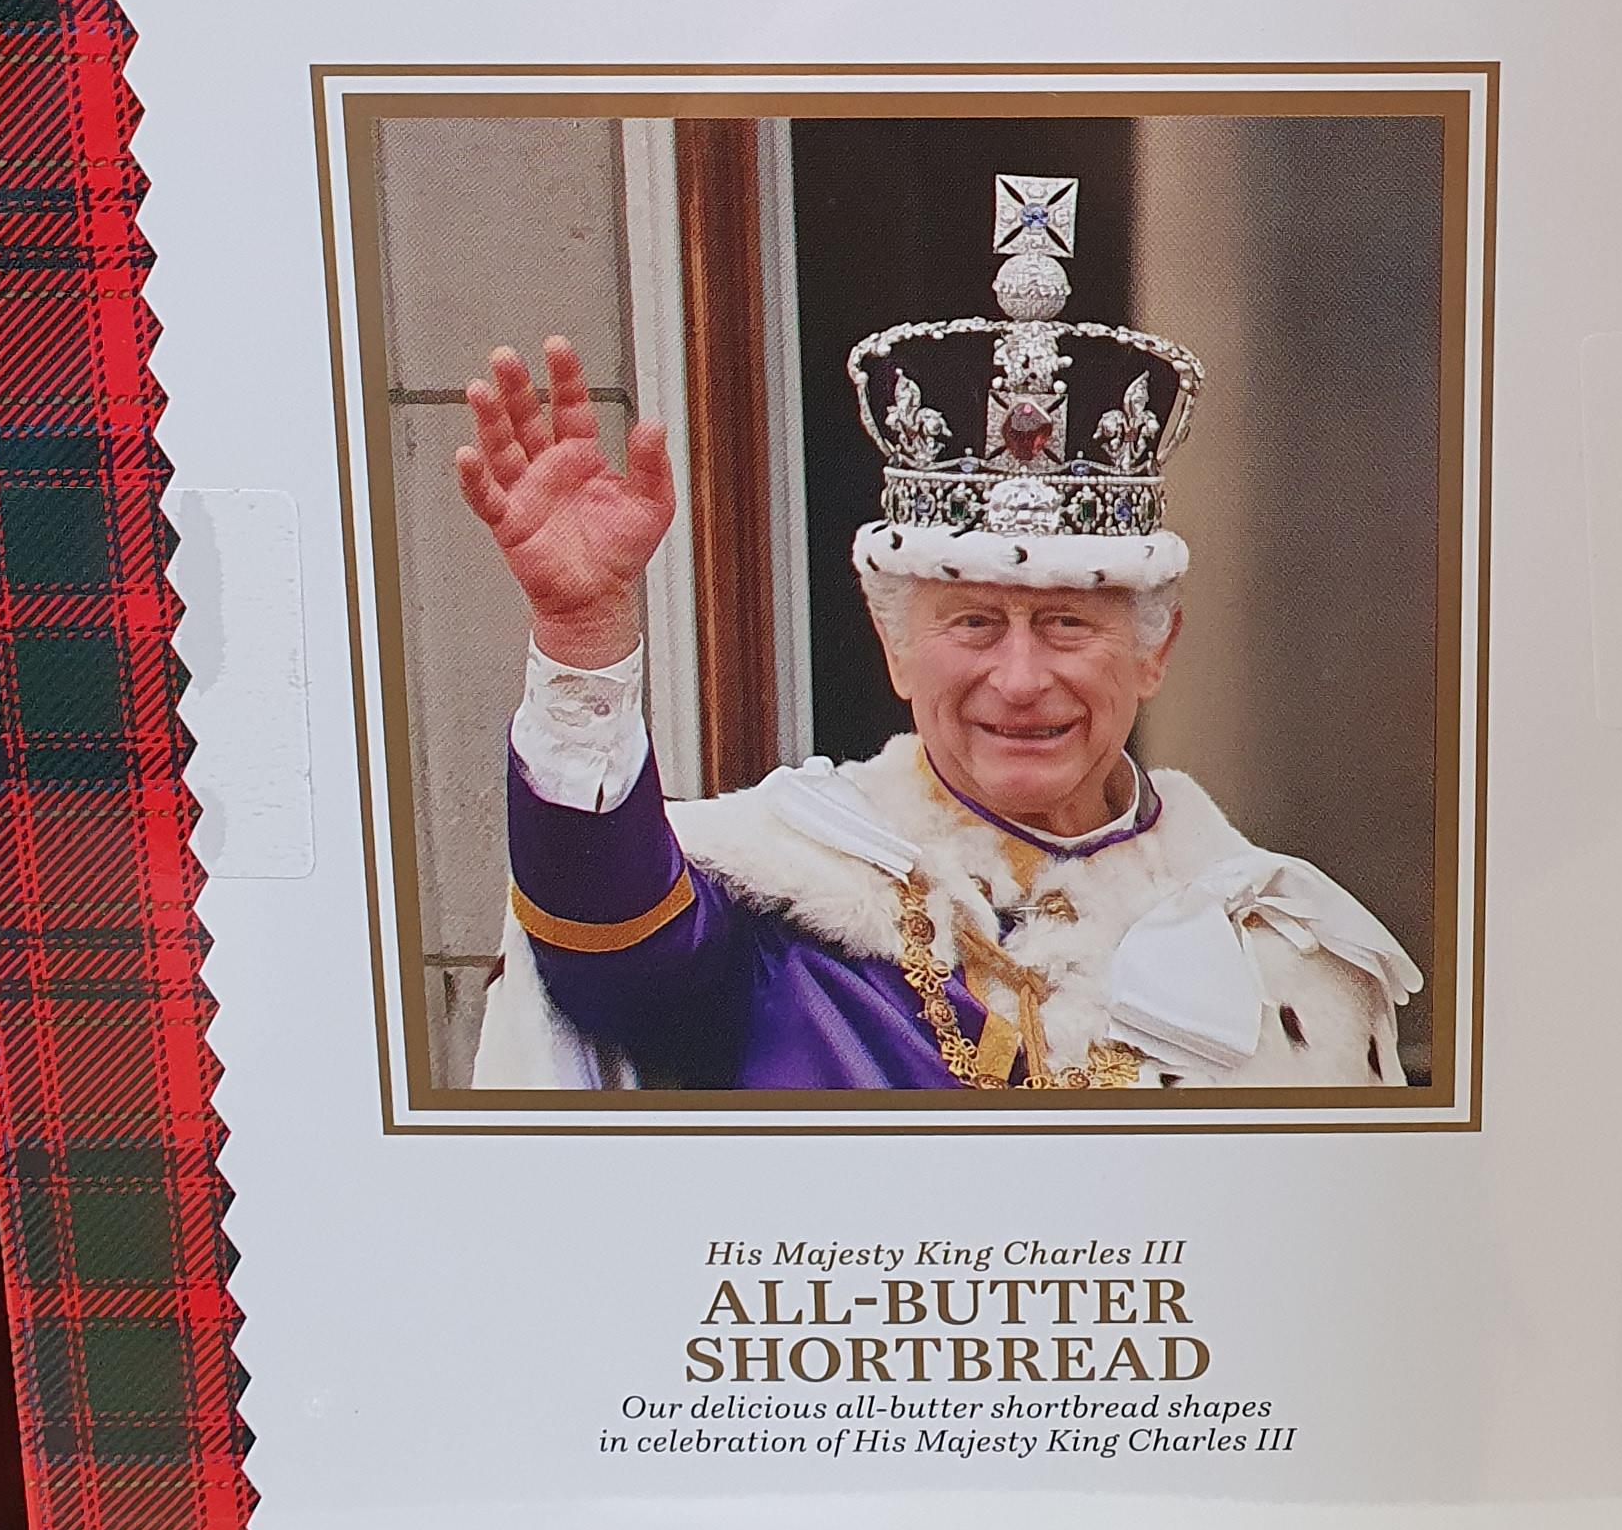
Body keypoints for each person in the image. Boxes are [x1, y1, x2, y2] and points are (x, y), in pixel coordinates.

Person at [462, 176, 1419, 1094]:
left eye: (1067, 623)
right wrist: (583, 630)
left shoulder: (1287, 957)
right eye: (973, 623)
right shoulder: (781, 911)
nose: (1020, 678)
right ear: (895, 649)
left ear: (1154, 652)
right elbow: (610, 944)